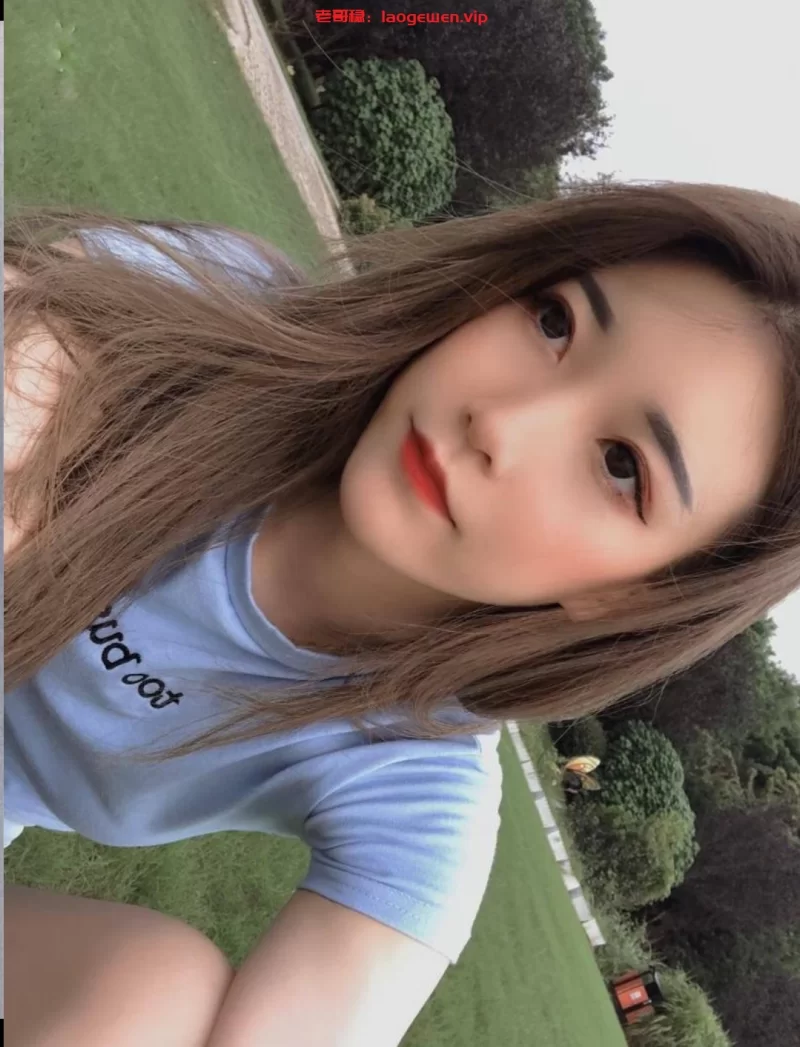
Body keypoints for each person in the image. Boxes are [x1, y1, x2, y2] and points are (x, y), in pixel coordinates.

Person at [4, 180, 799, 1045]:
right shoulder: (223, 306)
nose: (501, 423)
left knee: (149, 997)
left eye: (620, 465)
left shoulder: (414, 784)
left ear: (632, 592)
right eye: (554, 322)